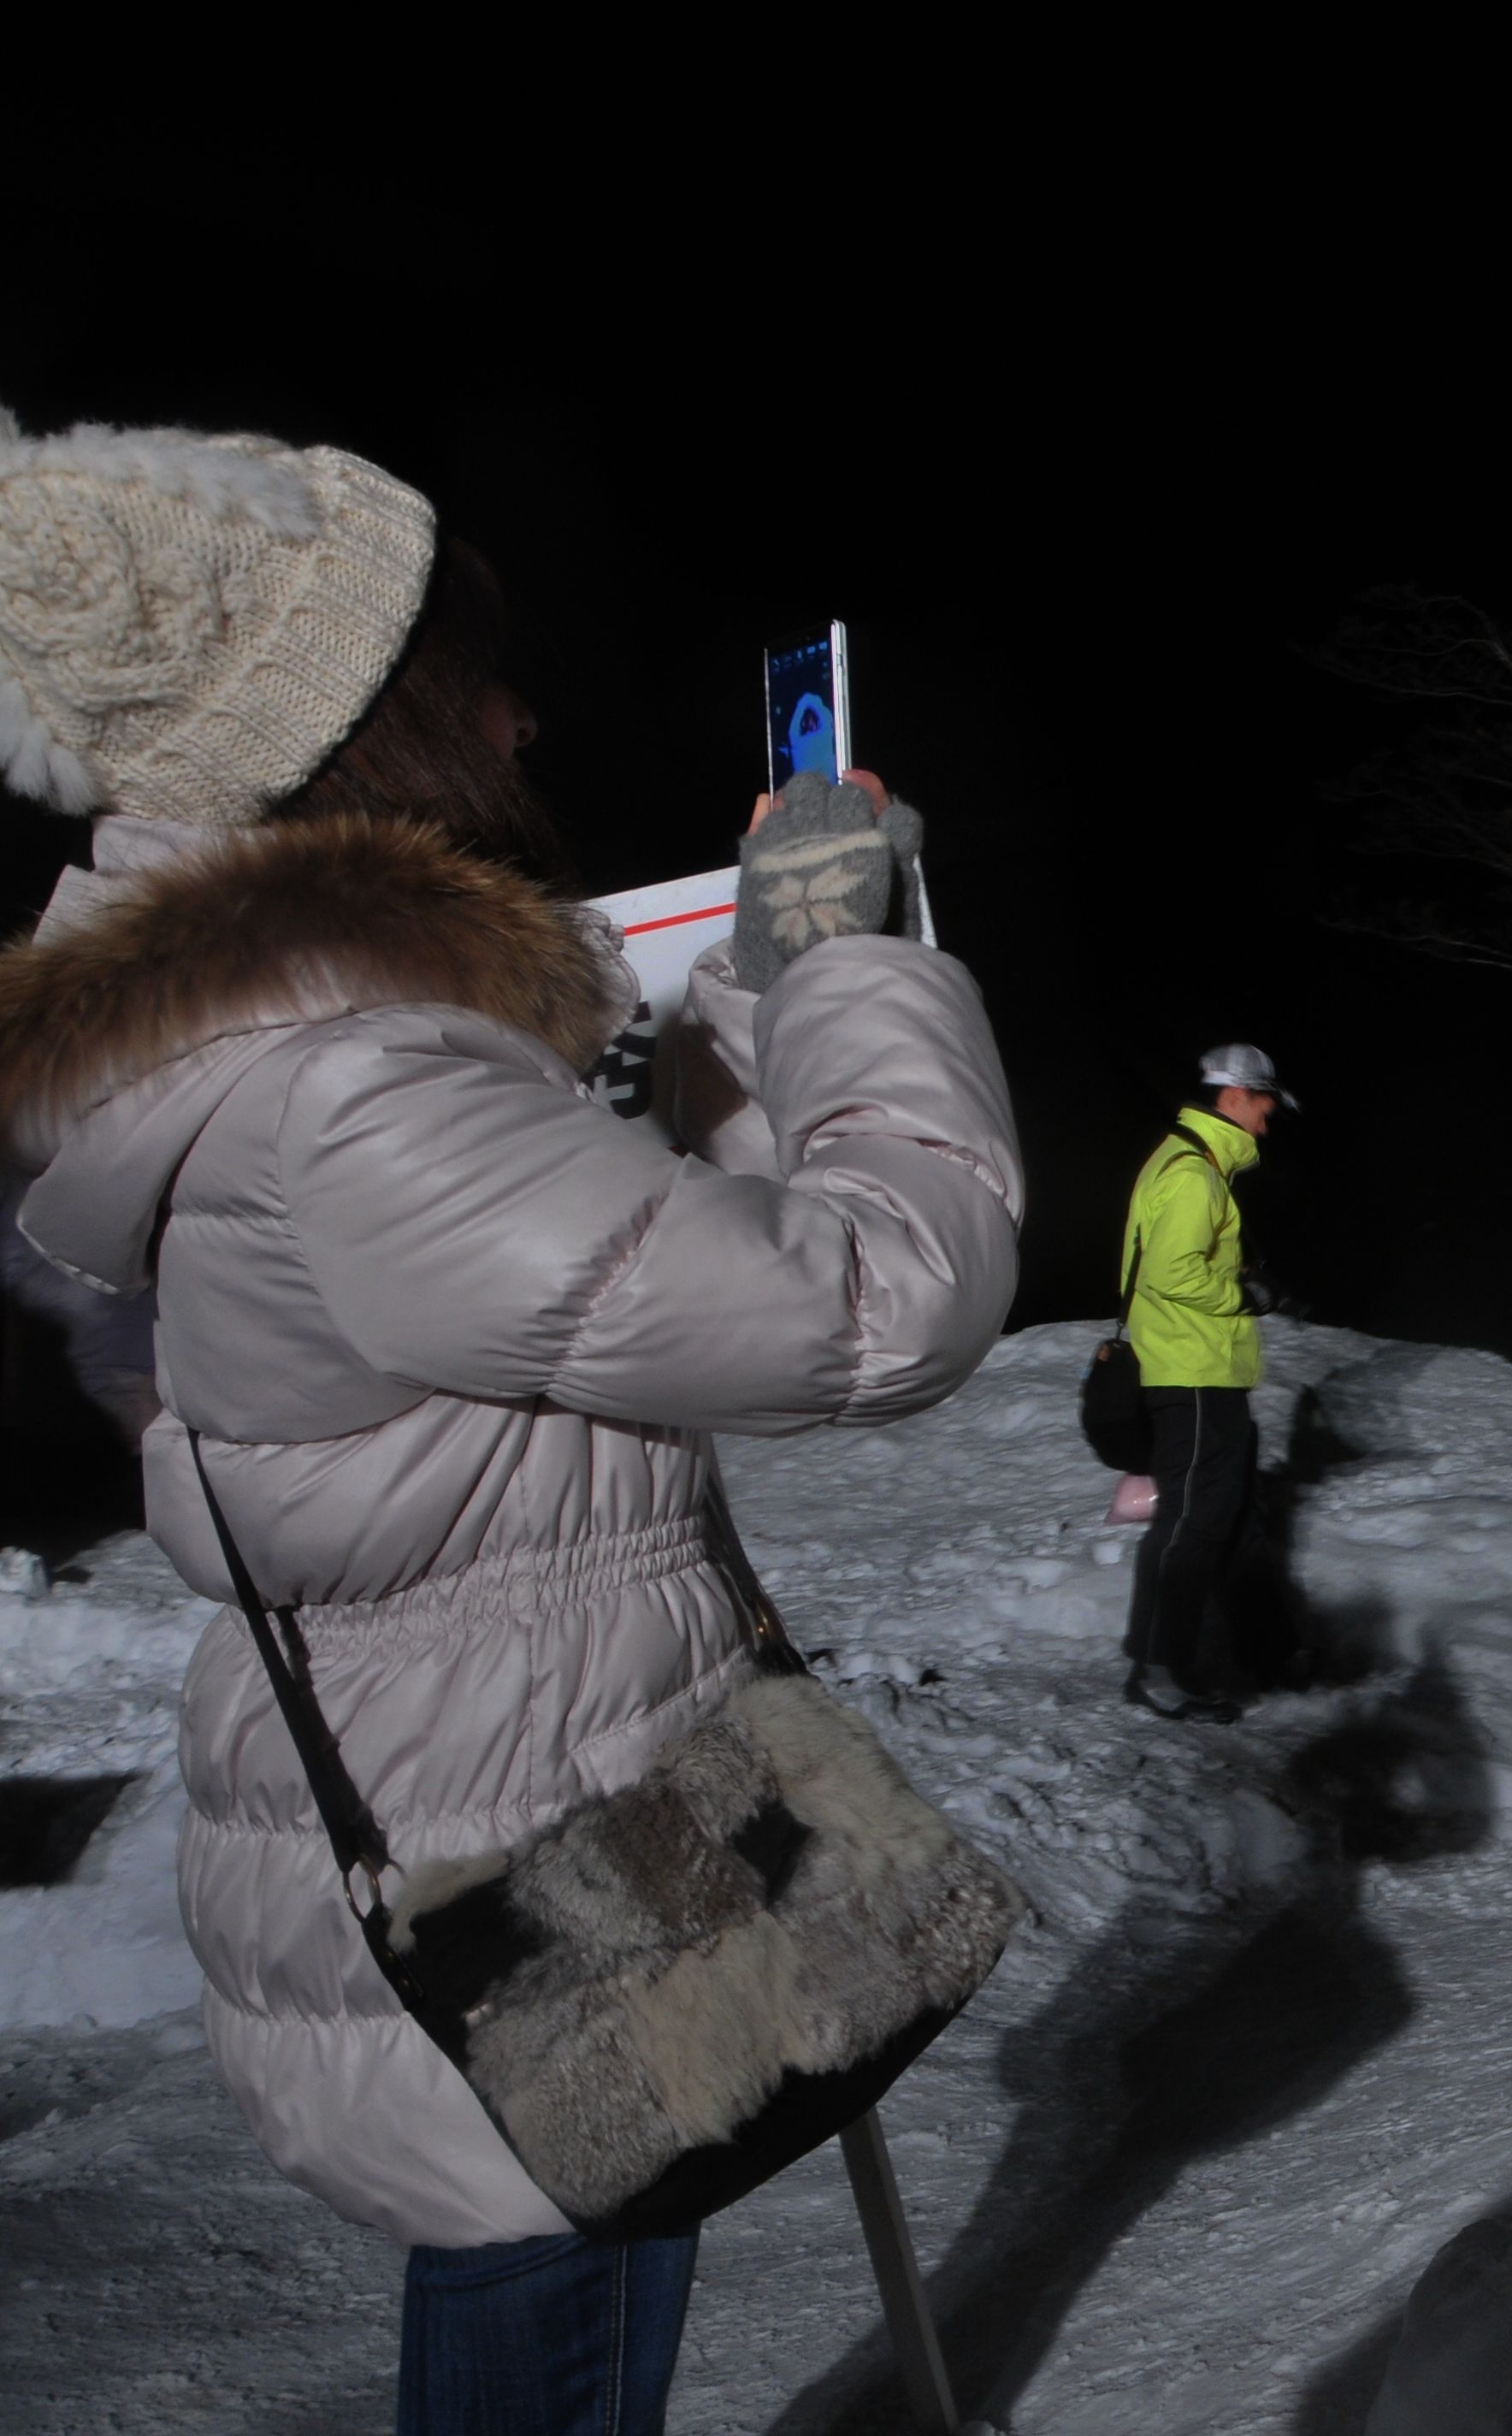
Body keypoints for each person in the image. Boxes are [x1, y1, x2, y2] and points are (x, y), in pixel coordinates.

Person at [0, 410, 1022, 2431]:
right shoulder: (351, 1090)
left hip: (525, 1762)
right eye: (463, 673)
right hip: (516, 1829)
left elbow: (608, 1260)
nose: (519, 711)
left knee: (589, 2248)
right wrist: (846, 965)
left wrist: (749, 983)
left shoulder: (284, 1048)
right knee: (549, 2310)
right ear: (342, 729)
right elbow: (874, 1300)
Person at [1119, 1042, 1294, 1716]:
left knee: (1226, 1518)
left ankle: (1263, 1654)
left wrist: (1240, 1278)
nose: (1267, 1121)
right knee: (1192, 1524)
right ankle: (1159, 1673)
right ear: (1232, 1097)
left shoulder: (1187, 1163)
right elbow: (1172, 1273)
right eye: (1264, 1105)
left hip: (1202, 1371)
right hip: (1191, 1373)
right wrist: (1241, 1297)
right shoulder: (1195, 1174)